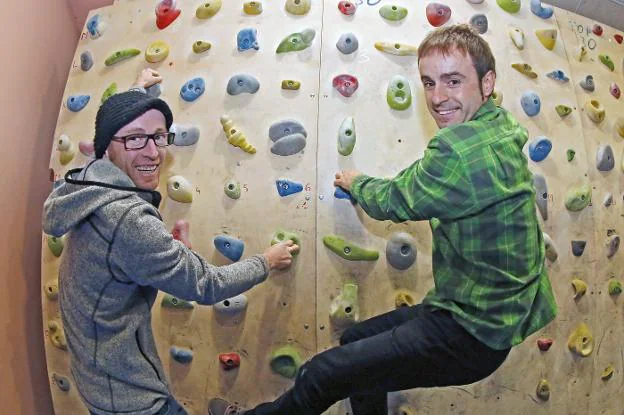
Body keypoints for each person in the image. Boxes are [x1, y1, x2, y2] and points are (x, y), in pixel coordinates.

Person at [208, 24, 557, 415]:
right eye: (428, 82)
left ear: (487, 81)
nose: (438, 98)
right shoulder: (500, 126)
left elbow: (394, 199)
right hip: (478, 314)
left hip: (471, 333)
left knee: (322, 373)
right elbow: (433, 182)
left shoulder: (457, 149)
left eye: (453, 81)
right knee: (355, 340)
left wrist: (356, 182)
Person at [43, 68, 299, 415]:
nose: (153, 153)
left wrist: (136, 96)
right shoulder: (128, 219)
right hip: (131, 397)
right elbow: (208, 284)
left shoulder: (89, 181)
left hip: (95, 377)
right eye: (135, 138)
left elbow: (112, 134)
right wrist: (267, 261)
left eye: (159, 136)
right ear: (108, 148)